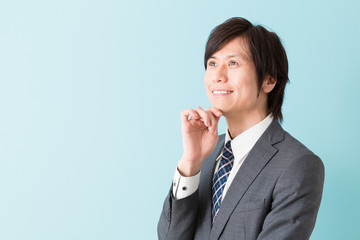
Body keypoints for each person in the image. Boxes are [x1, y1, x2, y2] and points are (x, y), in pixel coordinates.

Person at [157, 17, 324, 240]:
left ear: (269, 80)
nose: (217, 76)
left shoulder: (297, 165)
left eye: (233, 63)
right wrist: (190, 162)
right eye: (212, 64)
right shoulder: (204, 157)